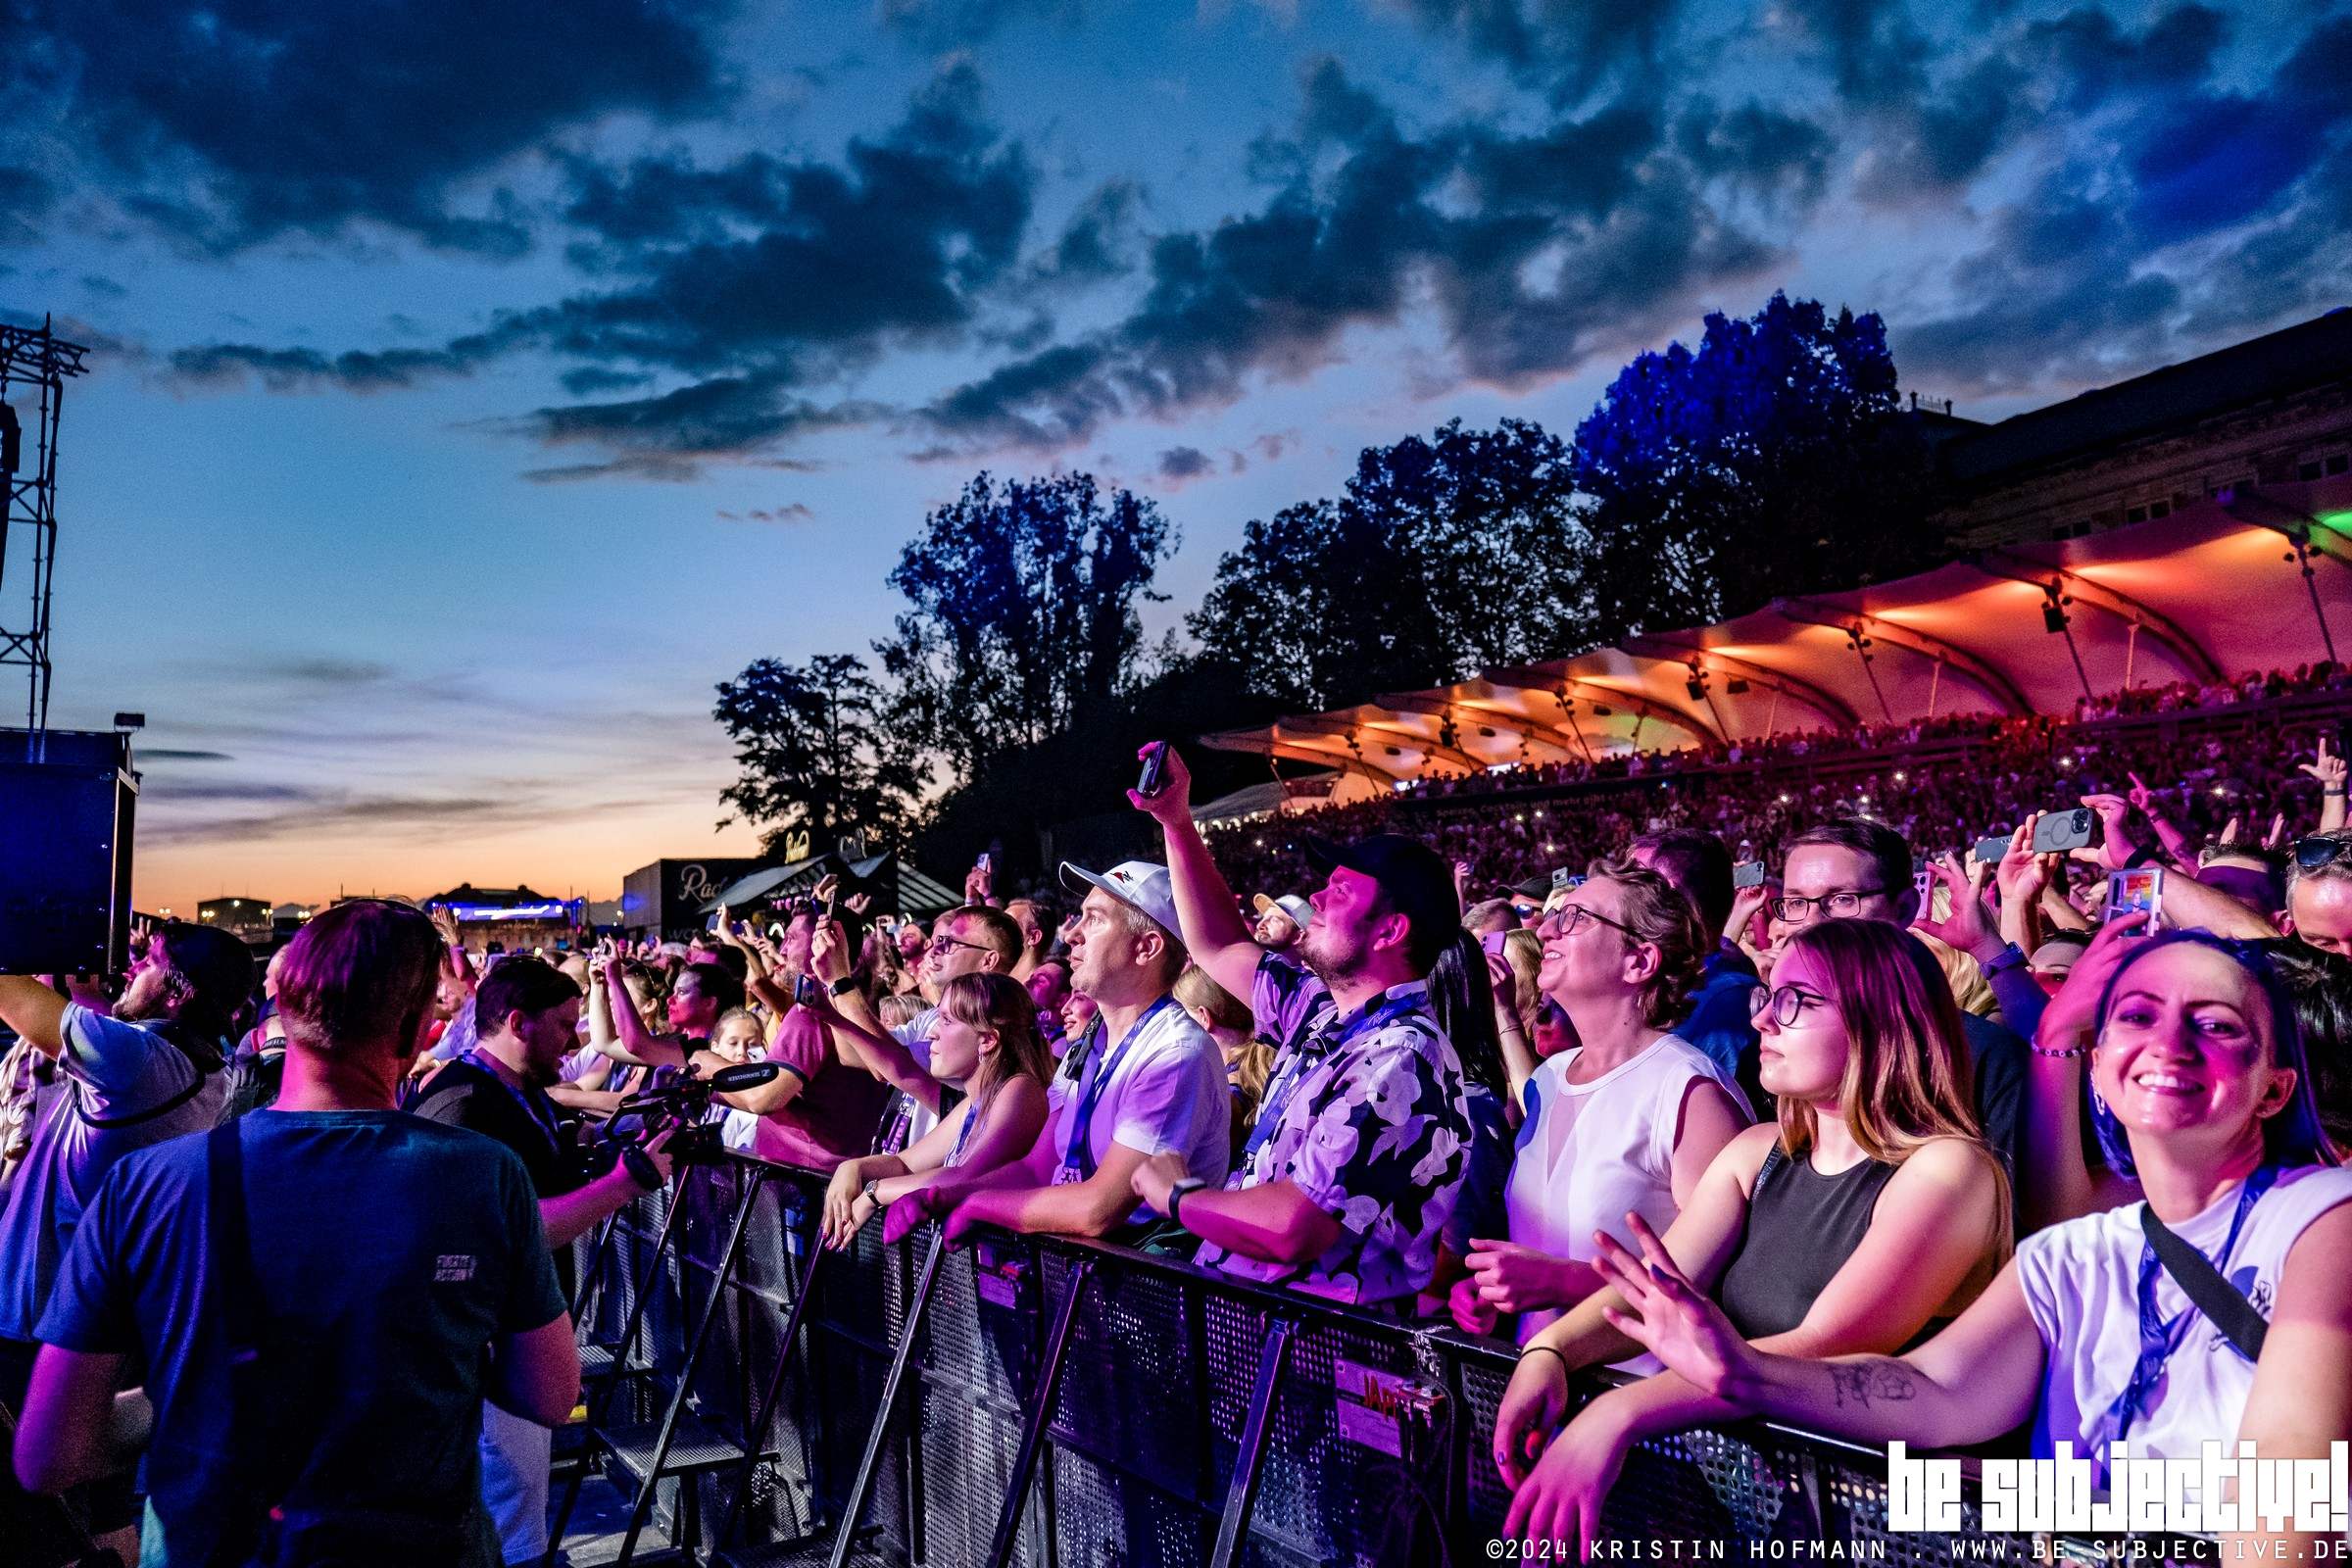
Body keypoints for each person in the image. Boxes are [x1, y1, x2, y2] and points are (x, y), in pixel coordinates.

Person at [1578, 930, 2352, 1562]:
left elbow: (2286, 1490)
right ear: (2102, 1072)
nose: (2171, 1042)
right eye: (2138, 1017)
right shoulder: (2068, 1258)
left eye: (2216, 1025)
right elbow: (1935, 1393)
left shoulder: (2326, 1217)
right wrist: (1745, 1376)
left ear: (2275, 1088)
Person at [10, 900, 578, 1568]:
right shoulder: (482, 1176)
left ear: (279, 1004)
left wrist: (185, 1397)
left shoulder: (146, 1184)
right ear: (419, 1026)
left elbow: (49, 1455)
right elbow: (549, 1393)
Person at [1495, 917, 2009, 1546]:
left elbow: (1822, 1344)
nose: (1763, 1019)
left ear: (1881, 1020)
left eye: (1796, 1001)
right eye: (1767, 995)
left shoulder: (1947, 1169)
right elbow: (1651, 1286)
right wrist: (1549, 1352)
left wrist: (1621, 1411)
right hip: (1768, 1507)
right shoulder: (1757, 1151)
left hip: (1897, 1527)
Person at [1128, 745, 1473, 1307]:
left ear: (1388, 932)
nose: (1315, 897)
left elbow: (1297, 1227)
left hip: (1317, 1356)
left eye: (1339, 892)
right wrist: (1176, 821)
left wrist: (1180, 1198)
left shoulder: (1400, 1056)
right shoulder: (1320, 1012)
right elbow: (1217, 944)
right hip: (1261, 1332)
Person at [402, 955, 673, 1568]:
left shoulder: (509, 1089)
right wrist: (628, 1180)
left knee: (519, 1489)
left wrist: (609, 1140)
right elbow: (514, 1233)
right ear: (518, 1022)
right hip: (485, 1342)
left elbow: (538, 1165)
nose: (575, 1040)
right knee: (507, 1494)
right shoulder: (463, 1105)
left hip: (510, 1333)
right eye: (563, 1024)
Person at [0, 923, 255, 1561]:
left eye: (145, 961)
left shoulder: (139, 1064)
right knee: (105, 1502)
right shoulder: (180, 1064)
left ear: (177, 991)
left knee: (42, 1514)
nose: (124, 968)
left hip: (39, 1324)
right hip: (103, 1320)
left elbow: (13, 996)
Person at [1455, 863, 1749, 1342]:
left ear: (1639, 961)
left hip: (1640, 1394)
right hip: (1543, 1388)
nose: (1547, 929)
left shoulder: (1688, 1093)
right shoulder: (1549, 1080)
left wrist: (1560, 1282)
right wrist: (1493, 1295)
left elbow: (1722, 1288)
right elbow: (1543, 1246)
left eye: (1576, 918)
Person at [922, 862, 1230, 1241]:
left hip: (1140, 1293)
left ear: (1146, 947)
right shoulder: (1088, 1045)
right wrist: (941, 1196)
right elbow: (1037, 1169)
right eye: (1079, 917)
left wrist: (978, 1205)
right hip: (1081, 1283)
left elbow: (1098, 1209)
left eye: (1095, 919)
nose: (1072, 935)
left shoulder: (1175, 1053)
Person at [1775, 819, 2028, 1173]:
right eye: (1796, 902)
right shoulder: (1778, 1044)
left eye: (1842, 899)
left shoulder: (1980, 1055)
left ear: (1906, 907)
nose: (1814, 922)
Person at [818, 973, 1054, 1249]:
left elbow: (965, 1176)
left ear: (987, 1040)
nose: (932, 1032)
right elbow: (905, 1164)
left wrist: (875, 1192)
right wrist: (853, 1167)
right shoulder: (973, 1103)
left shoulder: (1020, 1090)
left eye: (947, 1021)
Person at [1627, 829, 1760, 1083]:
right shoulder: (1690, 974)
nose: (1620, 897)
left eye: (1635, 885)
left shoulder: (1723, 1004)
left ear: (1671, 899)